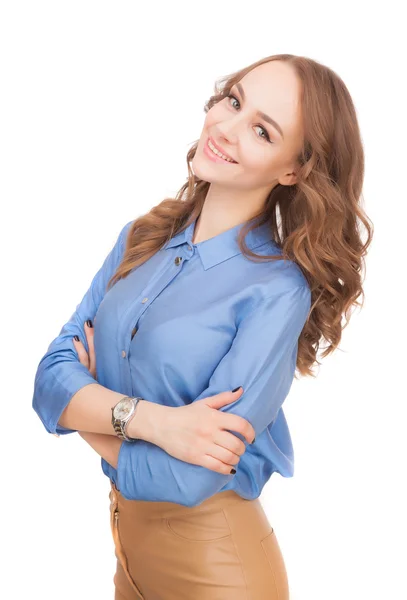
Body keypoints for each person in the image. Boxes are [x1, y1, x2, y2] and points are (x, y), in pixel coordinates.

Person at [32, 53, 373, 599]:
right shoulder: (139, 237)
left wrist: (87, 409)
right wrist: (158, 425)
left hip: (218, 569)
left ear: (293, 170)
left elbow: (190, 477)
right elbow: (49, 379)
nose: (226, 128)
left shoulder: (278, 289)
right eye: (233, 101)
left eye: (262, 131)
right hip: (128, 556)